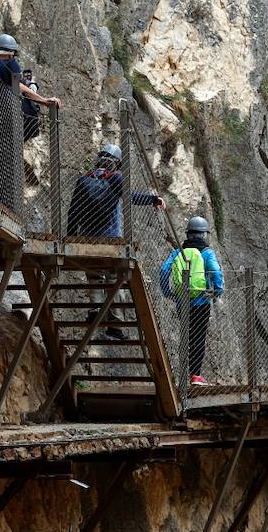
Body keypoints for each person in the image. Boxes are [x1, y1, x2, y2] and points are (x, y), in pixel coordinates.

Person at [0, 33, 60, 205]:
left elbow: (18, 85)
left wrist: (42, 100)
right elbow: (15, 75)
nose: (13, 58)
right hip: (0, 125)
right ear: (8, 53)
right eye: (12, 54)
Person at [160, 216, 224, 386]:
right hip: (201, 302)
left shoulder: (178, 252)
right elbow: (216, 271)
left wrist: (168, 292)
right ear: (204, 234)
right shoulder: (206, 252)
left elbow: (164, 270)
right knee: (198, 337)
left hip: (182, 302)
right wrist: (218, 290)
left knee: (185, 336)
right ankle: (195, 376)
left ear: (188, 234)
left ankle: (182, 375)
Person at [65, 143, 166, 238]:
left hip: (86, 233)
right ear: (117, 163)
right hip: (109, 234)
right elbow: (130, 197)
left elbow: (74, 210)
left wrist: (71, 236)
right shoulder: (115, 178)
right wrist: (153, 199)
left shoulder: (84, 179)